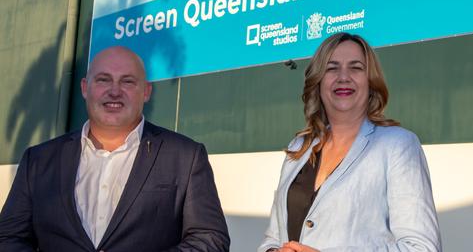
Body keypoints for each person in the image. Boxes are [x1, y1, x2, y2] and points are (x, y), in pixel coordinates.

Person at [0, 46, 230, 251]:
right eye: (103, 80)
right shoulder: (39, 160)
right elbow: (9, 238)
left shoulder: (185, 157)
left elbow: (209, 238)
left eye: (127, 81)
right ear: (84, 88)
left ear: (146, 91)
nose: (114, 91)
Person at [258, 33, 441, 252]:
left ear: (370, 80)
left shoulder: (398, 145)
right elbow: (273, 238)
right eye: (332, 68)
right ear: (319, 80)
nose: (343, 76)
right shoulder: (298, 147)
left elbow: (422, 248)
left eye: (355, 67)